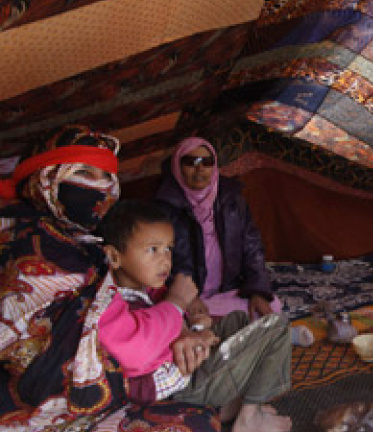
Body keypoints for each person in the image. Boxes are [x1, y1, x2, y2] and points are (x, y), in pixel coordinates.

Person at [0, 126, 216, 431]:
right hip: (35, 412)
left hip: (71, 394)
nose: (100, 188)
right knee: (194, 421)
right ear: (46, 179)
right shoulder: (46, 252)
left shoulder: (65, 237)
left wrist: (182, 323)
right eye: (84, 173)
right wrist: (177, 305)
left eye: (107, 176)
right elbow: (131, 349)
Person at [98, 199, 292, 432]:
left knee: (238, 320)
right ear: (114, 257)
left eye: (168, 249)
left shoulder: (144, 291)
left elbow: (170, 328)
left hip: (187, 371)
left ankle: (229, 404)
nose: (165, 260)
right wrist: (197, 333)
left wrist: (193, 328)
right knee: (275, 327)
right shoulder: (116, 305)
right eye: (152, 250)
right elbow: (155, 366)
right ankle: (250, 417)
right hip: (181, 388)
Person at [155, 137, 313, 346]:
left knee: (270, 304)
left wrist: (256, 290)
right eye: (191, 162)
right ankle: (269, 336)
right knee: (177, 319)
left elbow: (252, 246)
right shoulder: (162, 208)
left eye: (207, 162)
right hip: (186, 297)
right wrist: (185, 297)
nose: (199, 169)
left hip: (224, 294)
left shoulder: (231, 199)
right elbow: (158, 260)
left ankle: (246, 336)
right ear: (177, 166)